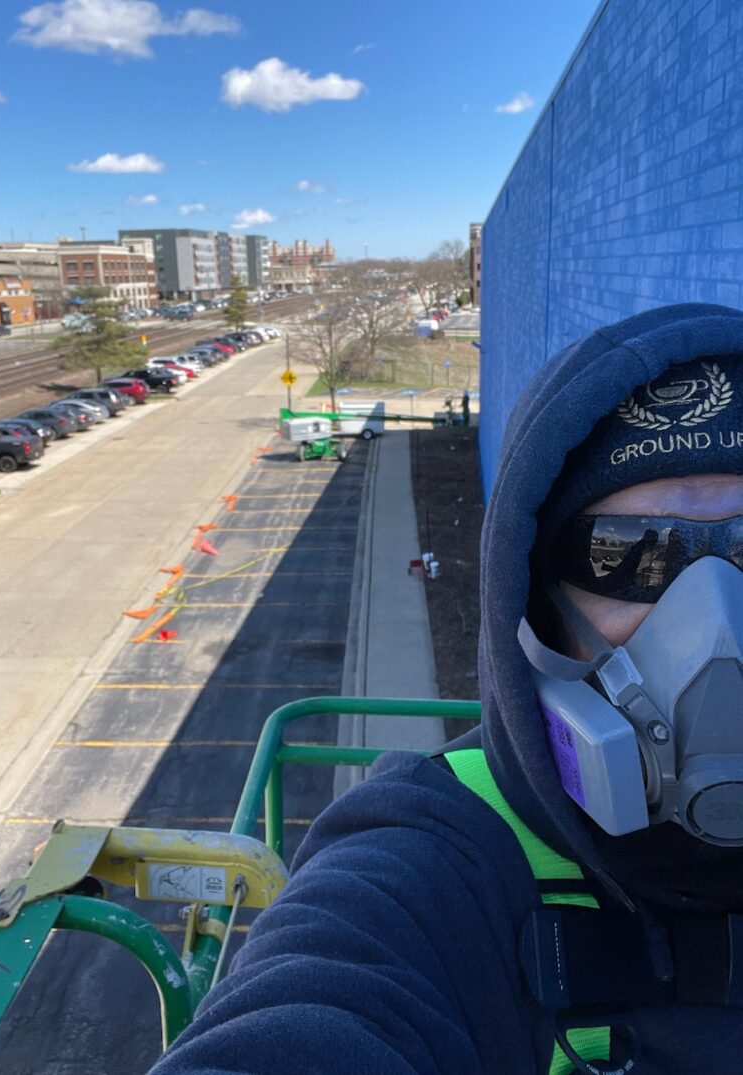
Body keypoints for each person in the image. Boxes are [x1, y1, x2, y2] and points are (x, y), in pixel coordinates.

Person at [150, 304, 743, 1074]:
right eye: (631, 555)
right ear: (533, 601)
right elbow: (316, 1003)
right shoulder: (432, 861)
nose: (716, 614)